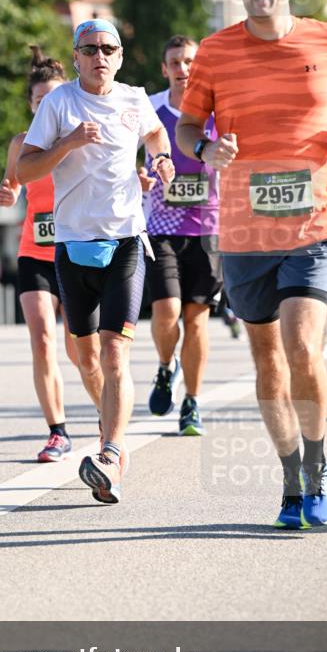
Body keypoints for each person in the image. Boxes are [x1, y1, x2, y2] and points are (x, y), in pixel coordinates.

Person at [176, 0, 327, 529]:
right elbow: (187, 126)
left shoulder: (325, 39)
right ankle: (291, 480)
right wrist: (207, 148)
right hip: (243, 231)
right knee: (267, 363)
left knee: (302, 345)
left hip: (317, 220)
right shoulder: (214, 52)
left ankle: (318, 467)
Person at [17, 19, 174, 504]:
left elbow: (156, 137)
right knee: (85, 358)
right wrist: (67, 144)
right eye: (90, 49)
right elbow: (24, 169)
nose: (99, 56)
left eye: (108, 48)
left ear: (120, 56)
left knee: (114, 351)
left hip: (126, 240)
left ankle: (111, 452)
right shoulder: (59, 103)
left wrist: (161, 160)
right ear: (77, 54)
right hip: (72, 246)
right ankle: (109, 427)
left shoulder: (134, 97)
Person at [0, 46, 78, 462]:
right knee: (43, 339)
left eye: (53, 99)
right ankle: (57, 432)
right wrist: (6, 194)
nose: (46, 106)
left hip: (78, 249)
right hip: (35, 252)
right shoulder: (21, 144)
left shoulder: (83, 138)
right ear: (30, 105)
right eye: (38, 100)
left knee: (81, 348)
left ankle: (106, 416)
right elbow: (12, 188)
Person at [141, 35, 222, 436]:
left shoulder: (216, 110)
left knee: (197, 320)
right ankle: (164, 366)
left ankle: (191, 402)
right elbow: (129, 160)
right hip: (161, 228)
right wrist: (138, 177)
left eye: (190, 61)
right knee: (167, 313)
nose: (183, 68)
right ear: (164, 68)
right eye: (175, 61)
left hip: (209, 229)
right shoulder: (151, 110)